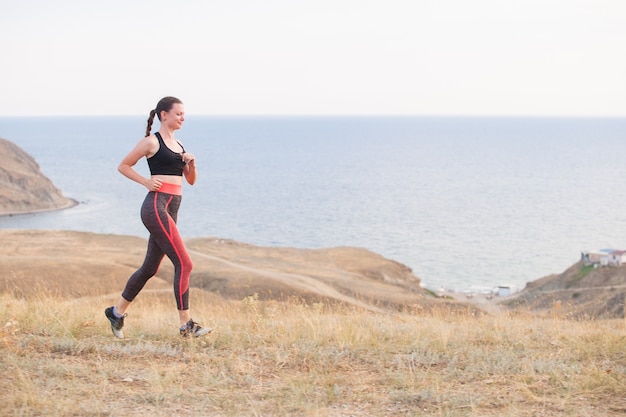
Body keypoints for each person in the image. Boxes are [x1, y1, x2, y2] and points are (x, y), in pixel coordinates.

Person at [105, 96, 211, 338]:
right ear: (164, 115)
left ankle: (116, 312)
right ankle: (186, 325)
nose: (183, 117)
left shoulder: (180, 145)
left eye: (184, 114)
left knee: (149, 268)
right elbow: (123, 165)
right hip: (155, 206)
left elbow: (191, 181)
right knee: (185, 263)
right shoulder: (151, 142)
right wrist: (145, 181)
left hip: (172, 208)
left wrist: (192, 163)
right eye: (178, 113)